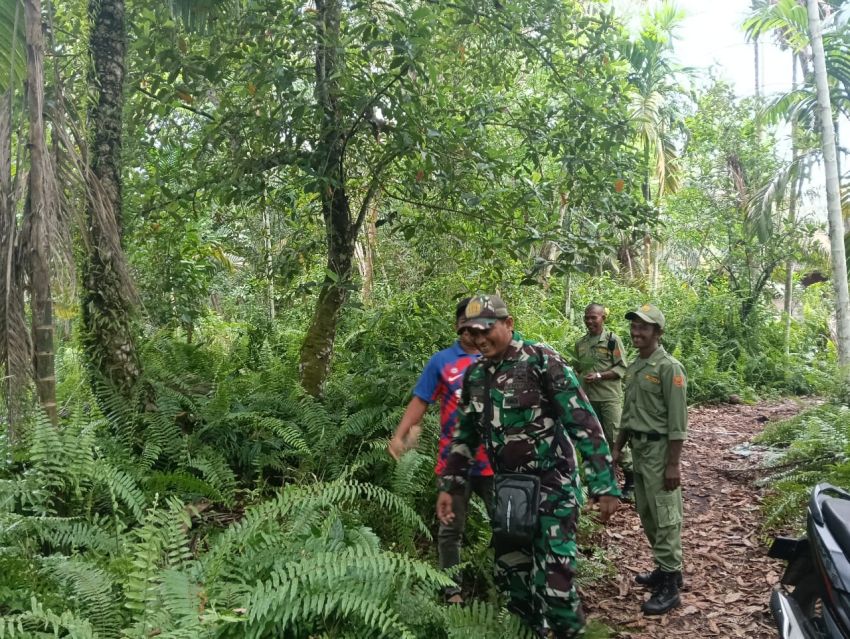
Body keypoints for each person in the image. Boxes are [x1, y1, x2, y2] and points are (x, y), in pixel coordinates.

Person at [436, 294, 620, 639]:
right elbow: (463, 437)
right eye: (471, 332)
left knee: (556, 590)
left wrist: (604, 484)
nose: (479, 339)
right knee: (514, 586)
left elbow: (584, 422)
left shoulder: (540, 360)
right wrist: (451, 486)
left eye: (486, 329)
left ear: (508, 324)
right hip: (510, 495)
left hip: (553, 488)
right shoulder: (476, 375)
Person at [388, 297, 493, 604]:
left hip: (494, 461)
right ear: (458, 326)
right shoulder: (442, 361)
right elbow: (421, 400)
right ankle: (452, 589)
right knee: (450, 528)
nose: (472, 333)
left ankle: (507, 586)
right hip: (454, 462)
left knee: (508, 524)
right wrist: (400, 434)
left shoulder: (499, 356)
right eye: (465, 325)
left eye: (478, 326)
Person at [612, 303, 687, 615]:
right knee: (647, 513)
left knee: (666, 516)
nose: (636, 332)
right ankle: (665, 568)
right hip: (639, 451)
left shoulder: (670, 368)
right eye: (634, 326)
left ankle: (670, 585)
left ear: (658, 332)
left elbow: (677, 422)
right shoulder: (635, 366)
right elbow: (628, 415)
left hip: (659, 452)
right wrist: (617, 448)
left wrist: (673, 463)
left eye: (644, 327)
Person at [574, 303, 633, 501]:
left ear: (602, 318)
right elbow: (577, 369)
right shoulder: (581, 343)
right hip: (588, 400)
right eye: (587, 317)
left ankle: (631, 483)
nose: (590, 321)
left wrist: (600, 375)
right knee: (592, 441)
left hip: (609, 398)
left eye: (594, 317)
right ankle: (598, 484)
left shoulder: (612, 341)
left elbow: (622, 368)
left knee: (616, 438)